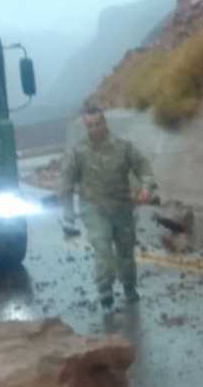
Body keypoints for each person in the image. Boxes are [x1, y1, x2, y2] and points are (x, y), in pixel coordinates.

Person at [60, 101, 158, 312]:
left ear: (104, 123)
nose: (95, 129)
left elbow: (143, 167)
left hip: (122, 206)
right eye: (90, 125)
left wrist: (146, 188)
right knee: (103, 249)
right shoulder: (78, 152)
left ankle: (129, 286)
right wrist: (68, 216)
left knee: (125, 251)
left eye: (98, 124)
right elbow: (66, 183)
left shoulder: (123, 147)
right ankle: (105, 294)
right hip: (94, 207)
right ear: (86, 127)